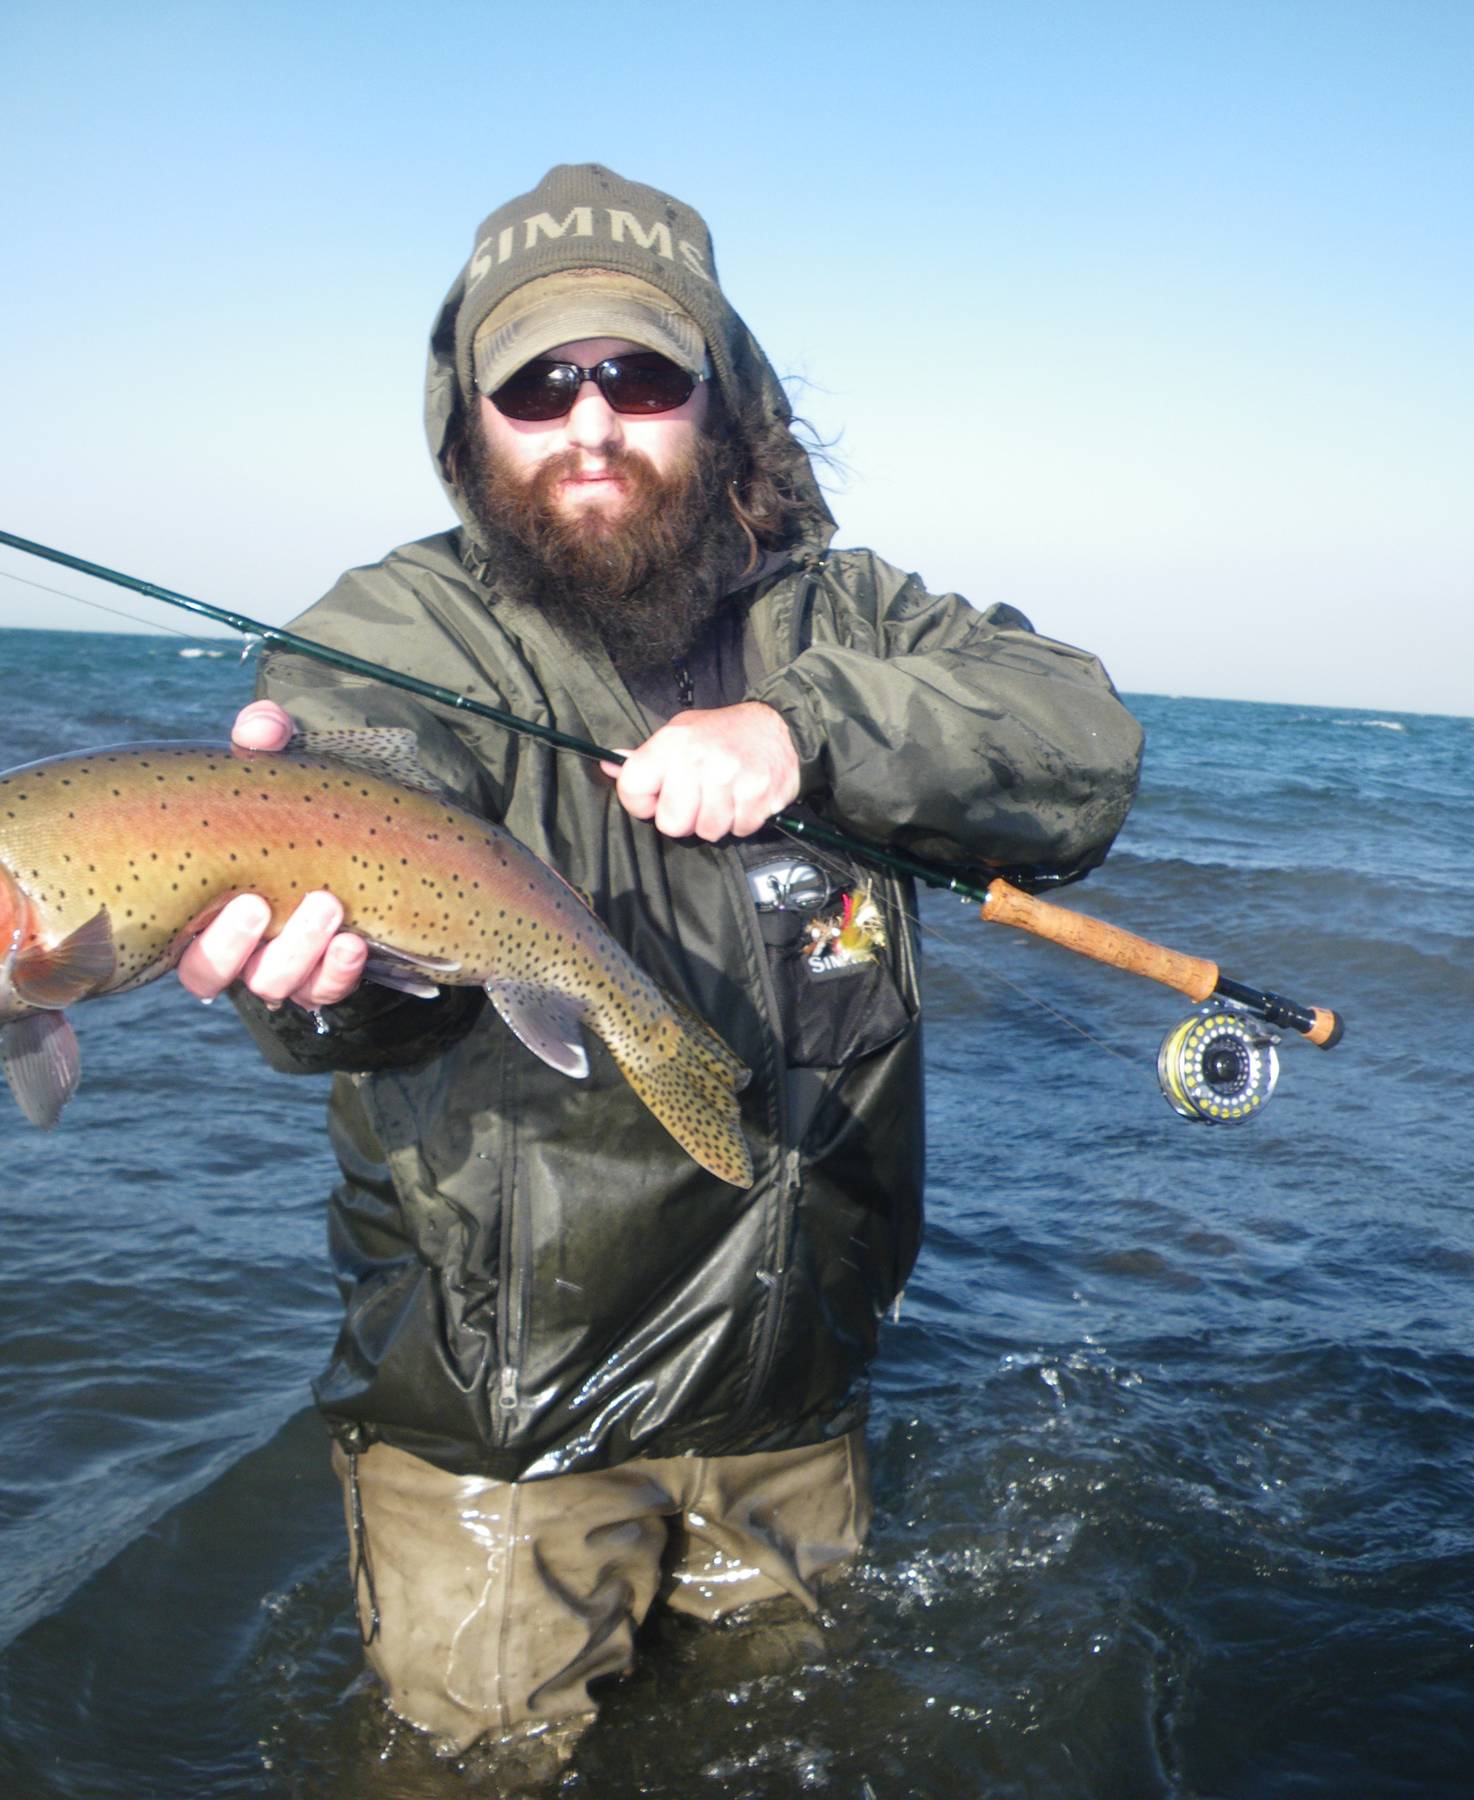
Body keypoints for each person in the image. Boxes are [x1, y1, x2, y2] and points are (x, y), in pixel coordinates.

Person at [175, 163, 1144, 1754]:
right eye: (536, 384)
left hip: (794, 1410)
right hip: (511, 1443)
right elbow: (372, 793)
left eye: (639, 373)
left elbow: (1081, 741)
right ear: (469, 417)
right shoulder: (389, 639)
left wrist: (810, 730)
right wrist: (343, 974)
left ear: (720, 394)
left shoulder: (849, 614)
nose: (590, 421)